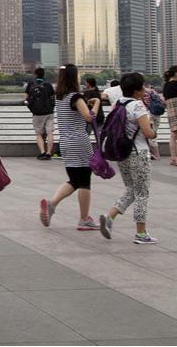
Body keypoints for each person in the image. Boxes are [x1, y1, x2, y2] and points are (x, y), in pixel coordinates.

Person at [39, 64, 101, 231]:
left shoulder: (60, 98)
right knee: (85, 182)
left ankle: (52, 205)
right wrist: (97, 103)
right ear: (74, 77)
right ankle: (84, 219)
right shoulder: (75, 97)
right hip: (79, 141)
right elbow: (89, 118)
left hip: (65, 143)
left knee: (74, 179)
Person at [99, 72, 159, 245]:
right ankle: (141, 233)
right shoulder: (138, 106)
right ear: (137, 90)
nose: (145, 89)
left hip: (122, 153)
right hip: (139, 153)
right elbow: (147, 133)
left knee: (131, 189)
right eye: (143, 86)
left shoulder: (118, 103)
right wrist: (154, 130)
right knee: (142, 193)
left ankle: (109, 216)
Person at [23, 67, 56, 160]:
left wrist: (26, 102)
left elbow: (26, 96)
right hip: (49, 112)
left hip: (37, 113)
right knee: (50, 133)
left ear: (35, 74)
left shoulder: (31, 83)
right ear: (44, 74)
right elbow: (53, 97)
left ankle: (42, 152)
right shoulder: (48, 84)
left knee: (38, 134)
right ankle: (49, 153)